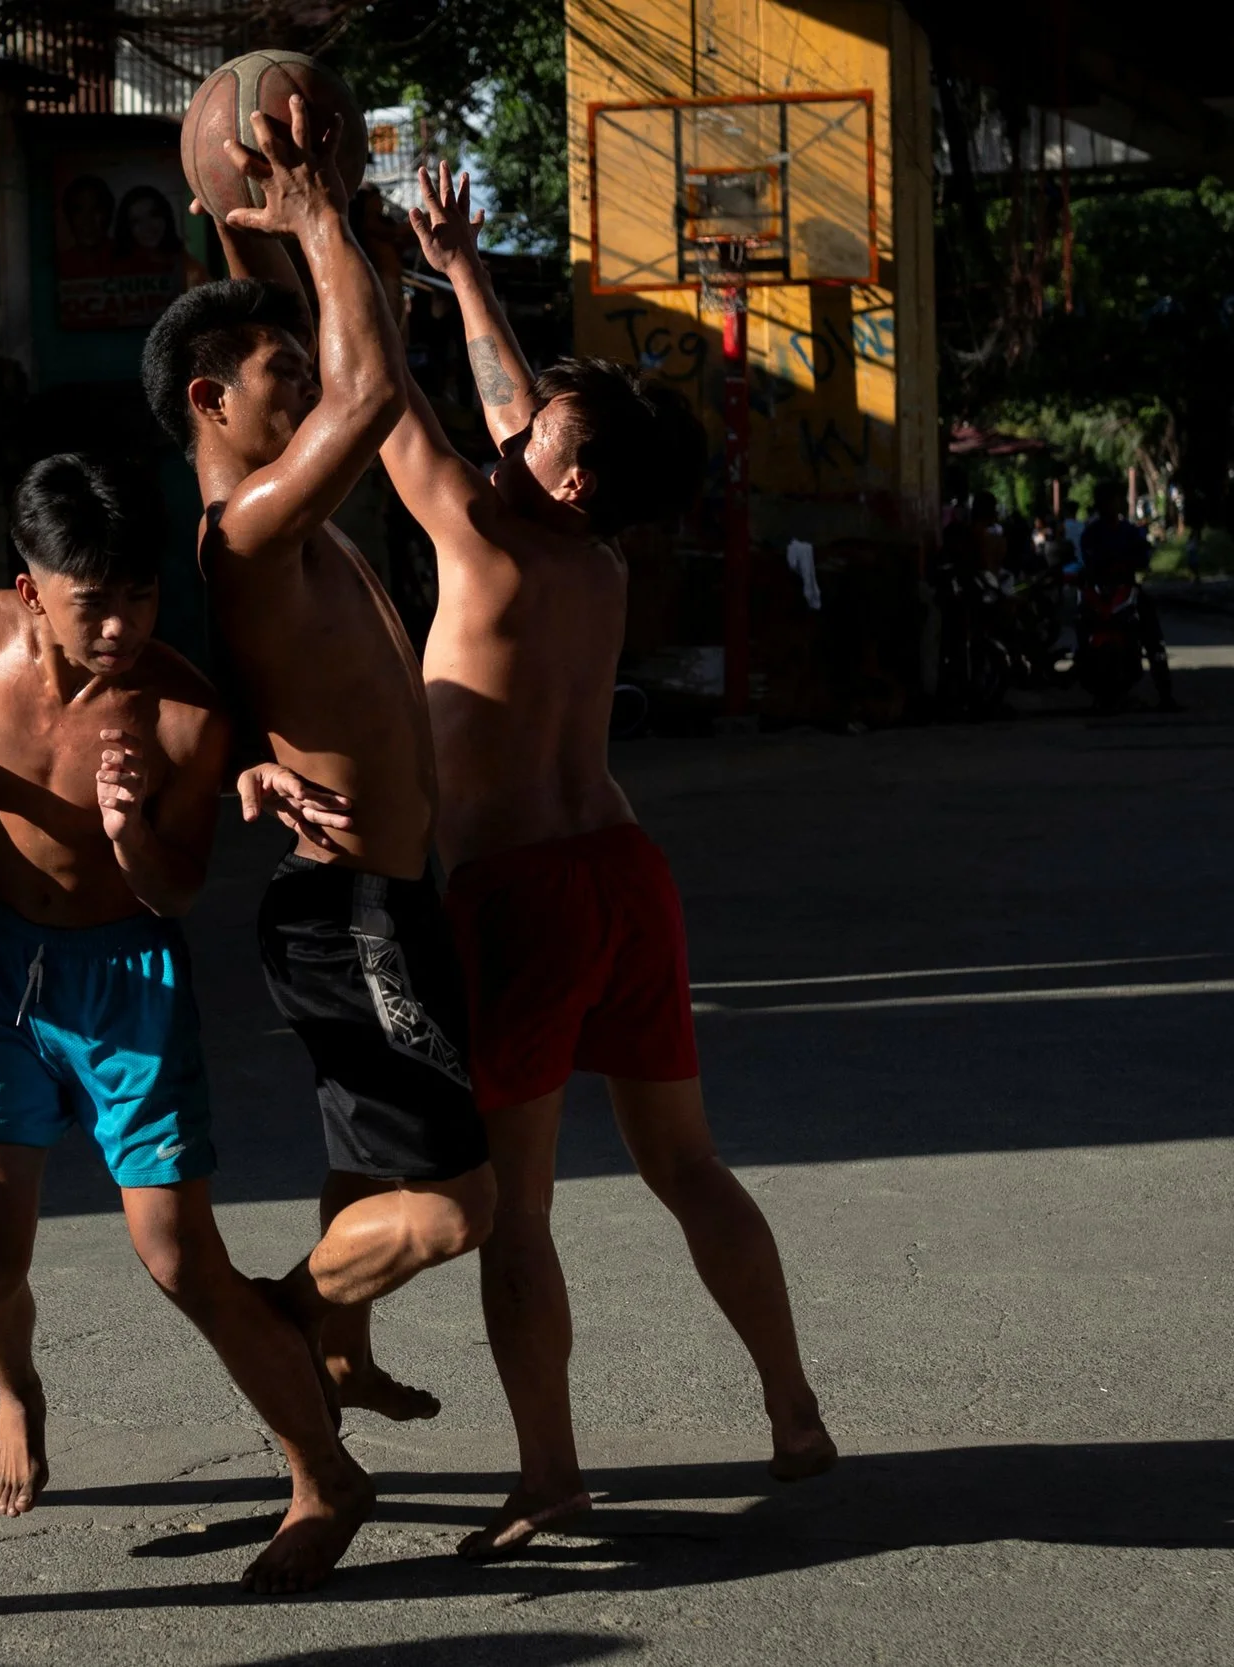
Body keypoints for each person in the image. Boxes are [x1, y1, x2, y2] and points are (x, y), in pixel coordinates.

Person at [389, 163, 836, 1559]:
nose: (513, 426)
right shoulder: (598, 560)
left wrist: (314, 233)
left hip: (521, 892)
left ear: (566, 475)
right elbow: (516, 413)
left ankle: (550, 1474)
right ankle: (794, 1408)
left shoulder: (479, 536)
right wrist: (461, 267)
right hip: (625, 873)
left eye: (539, 431)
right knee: (687, 1163)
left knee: (519, 1210)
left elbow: (381, 399)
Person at [0, 453, 366, 1593]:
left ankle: (325, 1473)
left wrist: (128, 835)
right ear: (28, 590)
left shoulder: (183, 714)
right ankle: (18, 1390)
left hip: (125, 978)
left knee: (178, 1255)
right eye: (92, 602)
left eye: (139, 596)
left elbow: (177, 886)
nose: (121, 626)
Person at [144, 97, 495, 1451]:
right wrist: (314, 217)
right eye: (273, 373)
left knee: (367, 1154)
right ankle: (285, 1320)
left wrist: (283, 234)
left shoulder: (282, 504)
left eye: (300, 365)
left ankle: (338, 1348)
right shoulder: (247, 528)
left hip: (378, 894)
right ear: (209, 403)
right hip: (352, 908)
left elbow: (341, 355)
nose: (303, 382)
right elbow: (369, 389)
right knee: (454, 1204)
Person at [1078, 483, 1180, 711]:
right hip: (1100, 592)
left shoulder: (1129, 531)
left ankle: (1165, 694)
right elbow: (1087, 561)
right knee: (1082, 624)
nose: (1112, 505)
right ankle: (1087, 671)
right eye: (1107, 501)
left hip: (1126, 590)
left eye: (1114, 500)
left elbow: (1143, 557)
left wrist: (1131, 563)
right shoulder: (1092, 534)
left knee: (1153, 637)